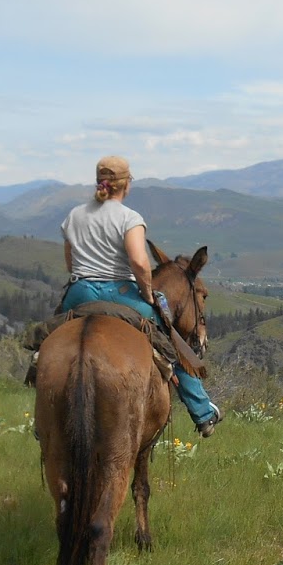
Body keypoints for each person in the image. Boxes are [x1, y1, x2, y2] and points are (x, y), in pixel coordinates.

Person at [58, 155, 221, 436]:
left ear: (100, 183)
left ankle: (45, 418)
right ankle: (203, 412)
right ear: (126, 184)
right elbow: (139, 262)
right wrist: (146, 293)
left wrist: (83, 278)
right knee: (169, 341)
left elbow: (69, 258)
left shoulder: (75, 215)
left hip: (79, 291)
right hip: (120, 292)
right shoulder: (129, 218)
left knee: (54, 340)